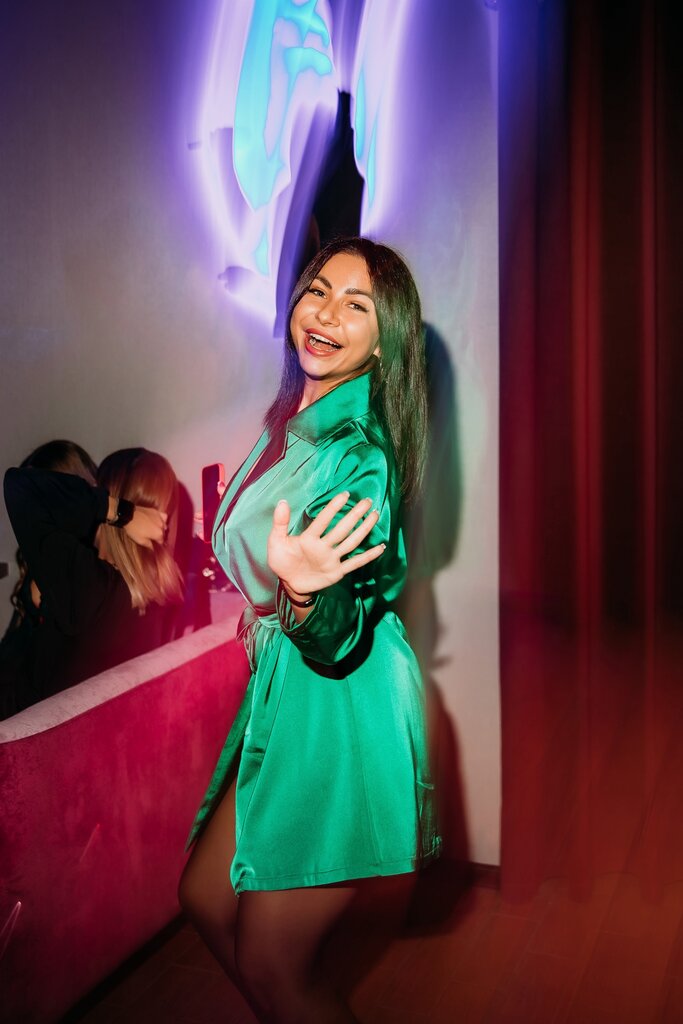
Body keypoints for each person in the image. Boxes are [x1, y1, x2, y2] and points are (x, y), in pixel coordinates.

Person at [178, 237, 441, 1023]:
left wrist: (301, 594)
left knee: (273, 962)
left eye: (356, 305)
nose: (325, 314)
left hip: (340, 704)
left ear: (385, 340)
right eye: (318, 290)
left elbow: (336, 626)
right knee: (204, 897)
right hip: (288, 692)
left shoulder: (359, 456)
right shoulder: (292, 418)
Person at [2, 447, 183, 718]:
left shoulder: (92, 588)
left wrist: (120, 511)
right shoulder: (161, 594)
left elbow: (19, 486)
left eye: (100, 491)